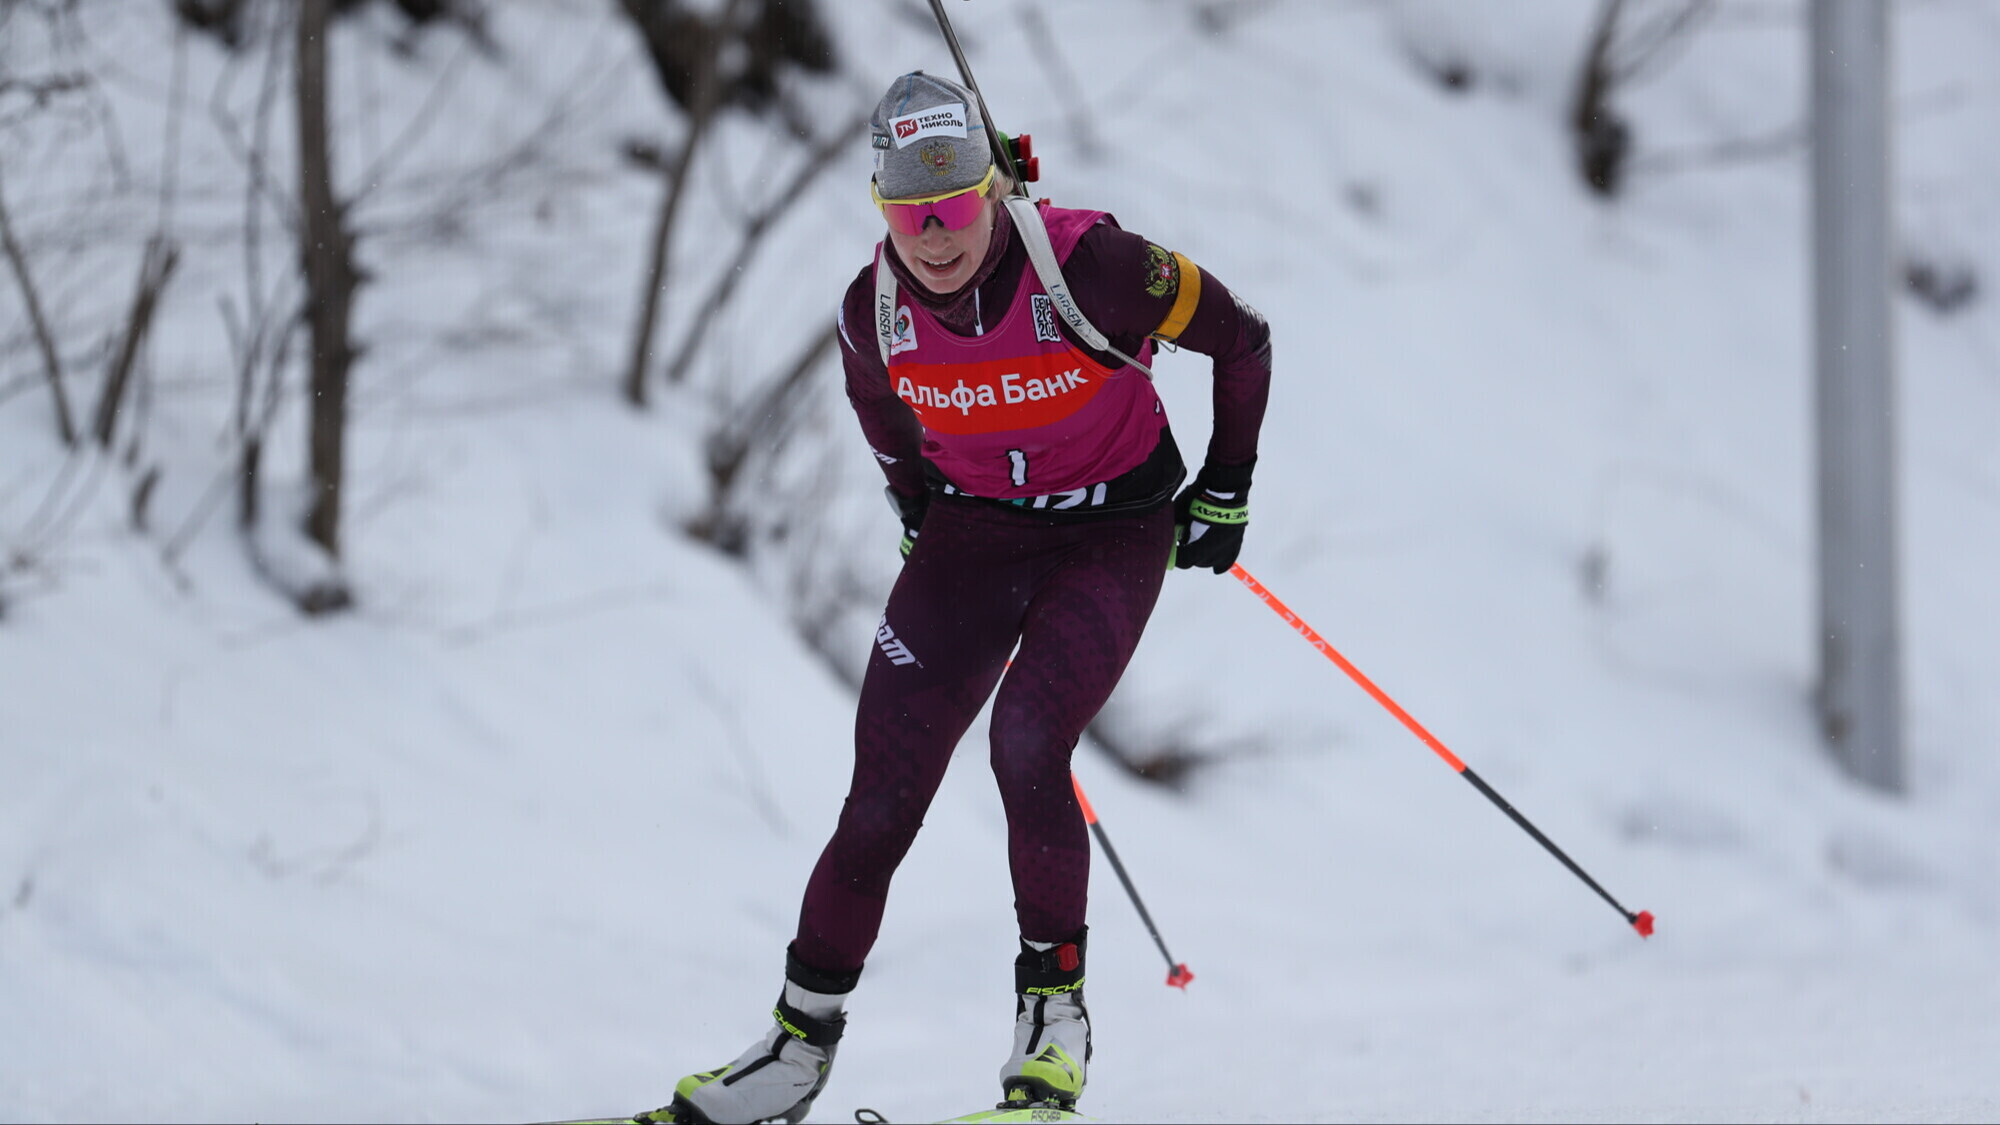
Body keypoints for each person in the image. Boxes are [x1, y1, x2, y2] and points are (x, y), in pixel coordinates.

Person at [642, 72, 1272, 1125]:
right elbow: (880, 416)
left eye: (953, 201)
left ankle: (1051, 1025)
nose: (933, 232)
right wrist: (912, 501)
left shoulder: (1097, 268)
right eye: (907, 206)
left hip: (1114, 525)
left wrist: (1226, 487)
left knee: (1027, 741)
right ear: (880, 206)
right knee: (880, 794)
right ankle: (794, 1055)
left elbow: (1241, 339)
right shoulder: (870, 311)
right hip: (976, 535)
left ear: (995, 187)